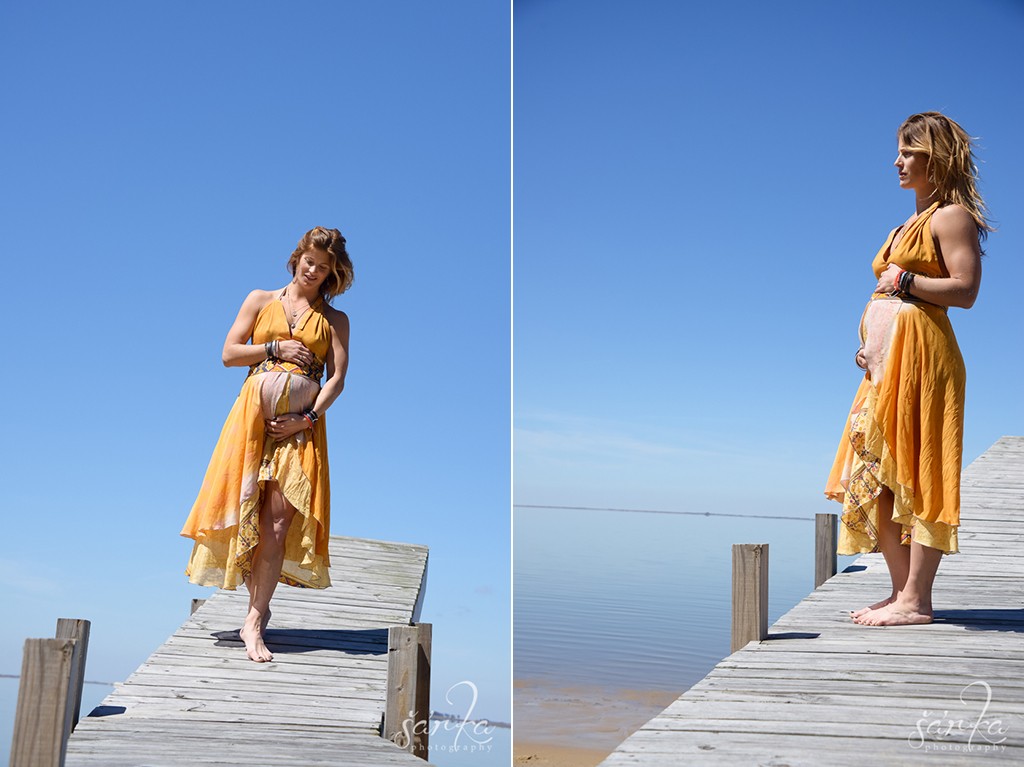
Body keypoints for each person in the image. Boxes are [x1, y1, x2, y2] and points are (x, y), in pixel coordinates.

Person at [825, 112, 992, 627]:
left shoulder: (951, 216)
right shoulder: (903, 226)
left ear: (934, 157)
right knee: (876, 477)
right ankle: (901, 593)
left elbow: (965, 290)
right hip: (885, 368)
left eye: (907, 150)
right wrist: (870, 345)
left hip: (925, 366)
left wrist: (904, 284)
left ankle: (917, 600)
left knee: (917, 474)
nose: (897, 161)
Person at [181, 226, 353, 661]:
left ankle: (255, 620)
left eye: (323, 267)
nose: (313, 271)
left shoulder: (335, 320)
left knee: (277, 523)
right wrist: (274, 346)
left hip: (299, 429)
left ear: (333, 274)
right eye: (309, 261)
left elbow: (337, 379)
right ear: (296, 258)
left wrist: (307, 417)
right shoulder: (259, 299)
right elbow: (229, 353)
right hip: (250, 423)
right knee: (245, 507)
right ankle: (252, 608)